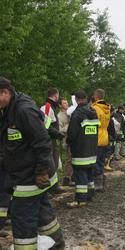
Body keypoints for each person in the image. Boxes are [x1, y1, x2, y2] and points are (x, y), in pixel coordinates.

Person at [0, 77, 64, 249]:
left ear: (5, 92)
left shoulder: (22, 110)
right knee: (44, 213)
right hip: (28, 173)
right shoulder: (10, 107)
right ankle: (57, 243)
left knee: (22, 220)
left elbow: (42, 142)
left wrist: (42, 171)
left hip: (30, 176)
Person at [66, 90, 99, 208]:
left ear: (76, 100)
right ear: (86, 98)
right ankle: (90, 195)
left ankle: (80, 200)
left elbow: (72, 133)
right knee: (89, 174)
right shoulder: (93, 111)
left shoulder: (77, 113)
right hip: (92, 149)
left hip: (80, 150)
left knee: (80, 175)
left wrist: (68, 141)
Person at [41, 88, 65, 193]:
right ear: (56, 96)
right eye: (58, 96)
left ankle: (54, 186)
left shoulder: (52, 107)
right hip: (47, 140)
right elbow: (45, 126)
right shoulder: (47, 107)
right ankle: (48, 188)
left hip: (52, 140)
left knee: (54, 163)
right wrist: (58, 133)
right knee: (49, 165)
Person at [91, 89, 111, 192]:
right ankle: (101, 181)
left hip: (97, 138)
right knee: (101, 161)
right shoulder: (107, 108)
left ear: (96, 96)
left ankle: (98, 183)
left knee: (95, 161)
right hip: (105, 137)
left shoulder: (95, 108)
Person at [57, 97, 73, 186]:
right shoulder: (59, 116)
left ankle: (72, 176)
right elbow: (59, 130)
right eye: (64, 103)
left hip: (73, 139)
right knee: (69, 159)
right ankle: (67, 178)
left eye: (67, 103)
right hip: (66, 140)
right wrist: (69, 125)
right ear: (60, 105)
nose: (66, 104)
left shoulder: (70, 113)